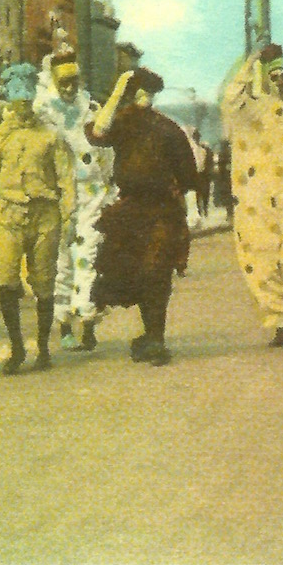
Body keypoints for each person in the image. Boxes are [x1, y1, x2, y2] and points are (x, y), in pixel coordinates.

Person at [85, 67, 196, 367]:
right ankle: (151, 337)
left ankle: (155, 339)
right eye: (138, 94)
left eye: (146, 95)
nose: (143, 101)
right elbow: (98, 131)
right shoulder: (127, 124)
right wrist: (118, 90)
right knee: (139, 273)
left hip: (160, 210)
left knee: (156, 272)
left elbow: (188, 173)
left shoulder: (164, 128)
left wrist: (178, 194)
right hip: (132, 211)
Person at [0, 63, 75, 375]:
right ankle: (16, 347)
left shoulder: (50, 137)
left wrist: (68, 214)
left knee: (44, 282)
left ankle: (43, 347)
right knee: (5, 280)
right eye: (17, 103)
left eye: (27, 102)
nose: (23, 109)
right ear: (9, 104)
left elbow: (66, 178)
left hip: (44, 215)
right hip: (6, 215)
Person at [219, 43, 283, 347]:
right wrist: (249, 61)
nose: (279, 81)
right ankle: (278, 321)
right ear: (263, 78)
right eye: (273, 75)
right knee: (261, 262)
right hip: (255, 200)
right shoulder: (247, 110)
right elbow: (229, 98)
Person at [32, 49, 115, 352]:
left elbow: (106, 150)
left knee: (89, 254)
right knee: (62, 259)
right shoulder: (42, 111)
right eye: (63, 83)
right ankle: (64, 323)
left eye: (73, 82)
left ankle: (89, 323)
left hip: (91, 191)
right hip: (60, 193)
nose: (69, 88)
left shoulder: (90, 107)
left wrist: (108, 184)